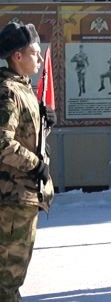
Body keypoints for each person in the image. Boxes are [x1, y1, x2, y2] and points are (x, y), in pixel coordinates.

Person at [0, 22, 54, 300]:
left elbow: (25, 137)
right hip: (11, 200)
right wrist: (35, 164)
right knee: (6, 282)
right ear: (17, 56)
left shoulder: (23, 89)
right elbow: (2, 143)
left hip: (23, 197)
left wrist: (45, 123)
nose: (40, 58)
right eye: (35, 53)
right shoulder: (8, 92)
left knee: (12, 280)